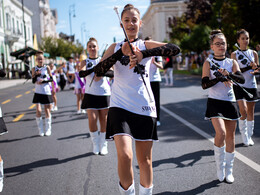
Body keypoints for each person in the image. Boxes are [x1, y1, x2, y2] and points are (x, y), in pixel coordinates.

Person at [89, 4, 180, 194]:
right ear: (121, 23)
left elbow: (174, 49)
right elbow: (97, 72)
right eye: (126, 20)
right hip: (119, 107)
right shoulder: (115, 47)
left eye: (134, 20)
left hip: (144, 107)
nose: (131, 23)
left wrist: (142, 55)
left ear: (140, 23)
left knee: (145, 161)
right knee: (125, 155)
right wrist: (118, 54)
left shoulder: (145, 45)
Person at [202, 29, 245, 183]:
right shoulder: (208, 62)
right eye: (217, 44)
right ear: (212, 46)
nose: (221, 46)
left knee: (231, 136)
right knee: (221, 133)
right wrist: (219, 78)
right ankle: (220, 168)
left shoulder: (231, 62)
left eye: (223, 43)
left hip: (230, 101)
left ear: (227, 46)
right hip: (215, 102)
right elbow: (204, 84)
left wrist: (229, 74)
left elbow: (241, 79)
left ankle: (229, 170)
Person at [79, 37, 112, 156]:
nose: (92, 48)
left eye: (94, 46)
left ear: (98, 48)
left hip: (104, 93)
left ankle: (103, 144)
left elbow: (112, 73)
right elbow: (81, 74)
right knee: (92, 119)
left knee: (105, 120)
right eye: (90, 47)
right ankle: (95, 143)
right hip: (90, 94)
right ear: (87, 49)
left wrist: (102, 71)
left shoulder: (103, 60)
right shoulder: (84, 62)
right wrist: (94, 68)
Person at [231, 29, 259, 146]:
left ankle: (249, 135)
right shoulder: (234, 54)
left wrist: (255, 69)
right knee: (243, 110)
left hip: (251, 85)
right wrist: (249, 67)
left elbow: (256, 70)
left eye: (247, 38)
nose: (245, 41)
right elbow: (236, 72)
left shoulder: (254, 53)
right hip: (239, 86)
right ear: (238, 40)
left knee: (251, 111)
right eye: (242, 38)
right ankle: (244, 135)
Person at [31, 51, 54, 136]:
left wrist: (44, 81)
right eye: (38, 59)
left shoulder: (47, 67)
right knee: (38, 110)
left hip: (46, 91)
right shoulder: (34, 69)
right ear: (36, 60)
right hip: (38, 91)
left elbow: (51, 79)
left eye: (41, 59)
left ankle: (48, 129)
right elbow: (33, 81)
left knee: (47, 110)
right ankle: (40, 130)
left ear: (44, 59)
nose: (40, 60)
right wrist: (36, 75)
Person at [145, 36, 163, 126]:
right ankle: (148, 118)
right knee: (146, 101)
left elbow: (161, 66)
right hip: (146, 80)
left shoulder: (157, 53)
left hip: (155, 79)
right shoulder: (143, 53)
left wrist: (154, 63)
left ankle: (157, 119)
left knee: (156, 100)